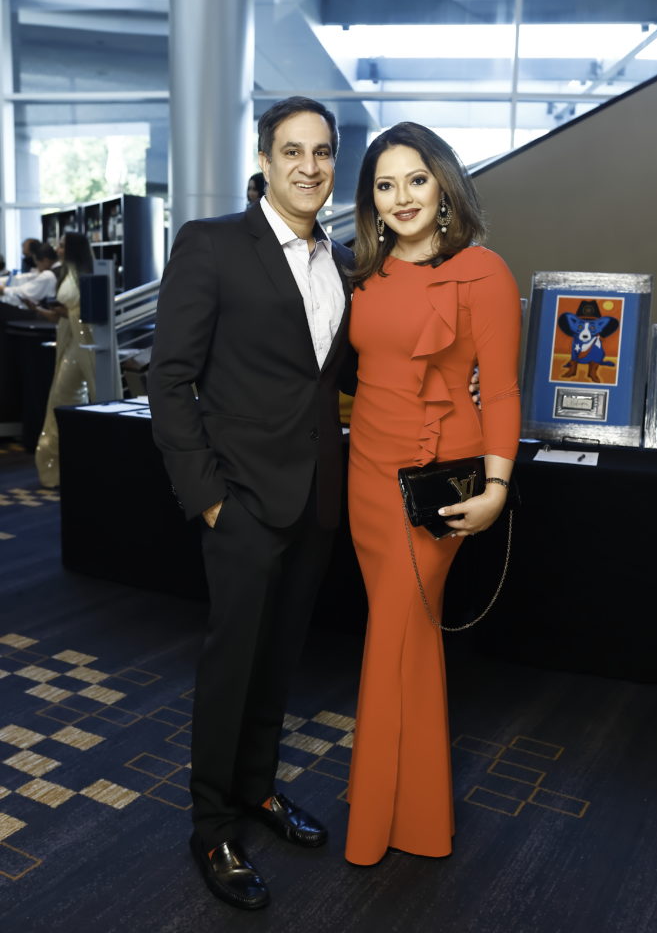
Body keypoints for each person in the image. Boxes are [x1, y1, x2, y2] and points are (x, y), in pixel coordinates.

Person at [147, 97, 353, 911]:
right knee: (231, 666)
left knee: (279, 662)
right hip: (238, 501)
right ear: (264, 159)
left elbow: (320, 381)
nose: (309, 165)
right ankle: (211, 827)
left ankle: (259, 790)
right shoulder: (212, 245)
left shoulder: (338, 259)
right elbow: (168, 379)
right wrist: (206, 499)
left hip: (315, 502)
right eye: (292, 150)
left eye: (323, 151)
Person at [344, 122, 521, 866]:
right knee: (404, 640)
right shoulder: (366, 273)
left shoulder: (482, 272)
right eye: (385, 185)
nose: (402, 196)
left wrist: (498, 487)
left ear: (443, 183)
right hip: (366, 474)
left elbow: (504, 393)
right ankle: (408, 804)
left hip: (433, 481)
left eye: (415, 179)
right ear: (371, 202)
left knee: (396, 630)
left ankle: (379, 822)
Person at [32, 233, 95, 487]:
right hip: (70, 344)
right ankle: (61, 464)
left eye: (62, 245)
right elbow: (66, 313)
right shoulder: (67, 273)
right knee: (63, 400)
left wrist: (65, 311)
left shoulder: (85, 274)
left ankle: (70, 461)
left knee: (65, 399)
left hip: (83, 346)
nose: (57, 248)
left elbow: (81, 311)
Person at [0, 243, 58, 308]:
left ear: (46, 261)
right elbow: (29, 276)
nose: (37, 268)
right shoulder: (56, 271)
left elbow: (24, 293)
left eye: (37, 264)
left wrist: (3, 289)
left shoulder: (48, 275)